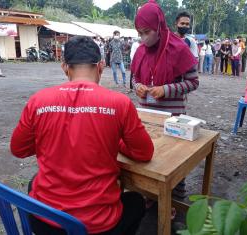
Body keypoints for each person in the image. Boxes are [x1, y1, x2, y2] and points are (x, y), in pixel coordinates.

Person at [10, 36, 154, 235]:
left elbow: (18, 149)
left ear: (64, 67)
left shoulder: (38, 100)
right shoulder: (119, 103)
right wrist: (117, 141)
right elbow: (144, 152)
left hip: (45, 222)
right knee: (136, 202)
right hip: (98, 226)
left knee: (35, 182)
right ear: (101, 66)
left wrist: (50, 138)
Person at [131, 0, 198, 203]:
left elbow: (193, 82)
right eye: (139, 33)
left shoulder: (179, 49)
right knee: (151, 158)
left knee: (174, 161)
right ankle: (152, 196)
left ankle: (173, 200)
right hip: (148, 115)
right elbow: (135, 78)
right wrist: (138, 87)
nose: (142, 38)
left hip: (173, 116)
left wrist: (166, 89)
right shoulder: (141, 50)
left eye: (146, 32)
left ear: (159, 27)